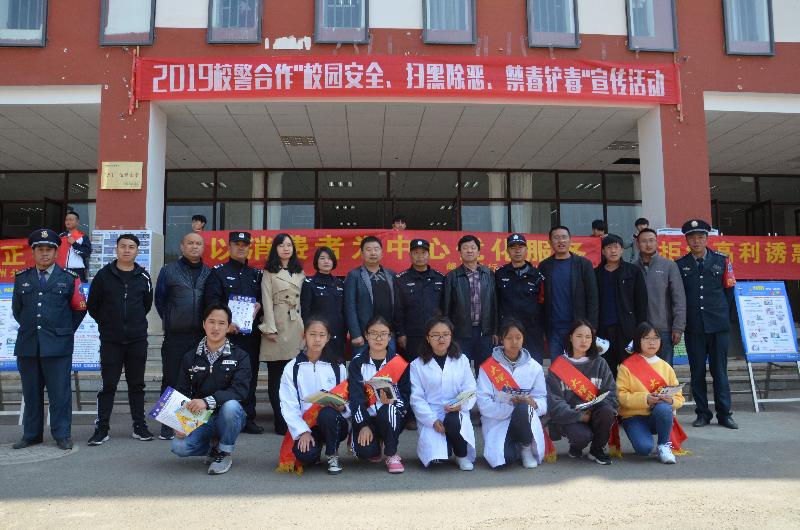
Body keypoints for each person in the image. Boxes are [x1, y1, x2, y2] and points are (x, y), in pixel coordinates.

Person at [11, 229, 87, 450]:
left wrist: (63, 331)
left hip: (58, 346)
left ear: (56, 252)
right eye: (40, 249)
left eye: (49, 250)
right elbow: (18, 311)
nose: (44, 253)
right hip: (28, 344)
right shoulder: (22, 278)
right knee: (31, 392)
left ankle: (62, 434)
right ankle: (31, 434)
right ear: (33, 252)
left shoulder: (69, 278)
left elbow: (79, 309)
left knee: (59, 394)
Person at [86, 234, 154, 445]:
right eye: (123, 246)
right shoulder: (103, 275)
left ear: (137, 251)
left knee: (137, 385)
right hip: (111, 340)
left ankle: (139, 426)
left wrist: (132, 324)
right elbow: (93, 305)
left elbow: (146, 305)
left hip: (137, 340)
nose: (126, 250)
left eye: (131, 247)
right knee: (108, 385)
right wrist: (108, 324)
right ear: (116, 249)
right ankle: (102, 428)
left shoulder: (144, 277)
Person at [170, 304, 251, 475]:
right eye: (211, 322)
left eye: (221, 323)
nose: (216, 327)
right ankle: (213, 449)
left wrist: (207, 402)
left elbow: (240, 391)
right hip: (199, 417)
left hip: (228, 416)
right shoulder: (190, 357)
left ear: (228, 327)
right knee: (178, 446)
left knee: (232, 407)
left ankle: (224, 452)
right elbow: (181, 392)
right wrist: (179, 423)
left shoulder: (240, 356)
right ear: (203, 324)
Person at [676, 219, 738, 430]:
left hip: (718, 327)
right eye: (692, 238)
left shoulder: (722, 261)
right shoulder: (680, 264)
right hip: (694, 327)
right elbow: (679, 296)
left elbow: (730, 292)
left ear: (707, 239)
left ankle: (725, 414)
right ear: (686, 240)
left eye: (700, 237)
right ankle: (702, 413)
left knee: (720, 372)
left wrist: (724, 318)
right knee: (697, 373)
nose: (696, 241)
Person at [205, 231, 264, 435]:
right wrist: (225, 324)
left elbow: (264, 300)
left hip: (250, 338)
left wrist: (260, 305)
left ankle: (247, 417)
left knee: (249, 376)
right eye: (237, 244)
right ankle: (221, 417)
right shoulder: (218, 272)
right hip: (225, 337)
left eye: (244, 245)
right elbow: (212, 302)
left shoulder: (256, 274)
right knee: (223, 377)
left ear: (249, 248)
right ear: (229, 247)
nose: (241, 248)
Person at [154, 232, 211, 440]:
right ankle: (167, 424)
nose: (194, 247)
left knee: (198, 379)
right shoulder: (168, 271)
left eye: (198, 243)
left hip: (201, 336)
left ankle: (189, 423)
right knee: (171, 378)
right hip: (175, 335)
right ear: (182, 246)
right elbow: (160, 300)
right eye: (190, 243)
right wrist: (172, 320)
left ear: (203, 248)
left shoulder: (209, 272)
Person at [278, 318, 350, 475]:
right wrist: (302, 431)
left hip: (333, 422)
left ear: (328, 337)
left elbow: (348, 398)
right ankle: (315, 450)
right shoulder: (292, 367)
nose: (317, 339)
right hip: (307, 424)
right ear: (304, 335)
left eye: (322, 335)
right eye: (312, 334)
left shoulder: (338, 366)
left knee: (327, 414)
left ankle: (333, 454)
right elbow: (288, 404)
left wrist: (344, 408)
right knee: (305, 455)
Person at [476, 318, 548, 469]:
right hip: (498, 421)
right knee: (505, 460)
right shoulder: (488, 367)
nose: (514, 342)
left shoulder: (534, 367)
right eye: (509, 338)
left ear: (523, 339)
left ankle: (526, 447)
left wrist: (534, 404)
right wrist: (510, 408)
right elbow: (483, 403)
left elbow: (542, 397)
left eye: (518, 337)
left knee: (523, 409)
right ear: (501, 339)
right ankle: (514, 447)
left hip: (525, 420)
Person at [409, 316, 477, 471]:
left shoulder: (462, 360)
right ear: (428, 338)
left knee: (455, 421)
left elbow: (470, 388)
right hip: (431, 412)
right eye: (435, 335)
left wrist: (460, 405)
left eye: (446, 334)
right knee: (437, 458)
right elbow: (417, 398)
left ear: (451, 336)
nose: (441, 339)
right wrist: (432, 420)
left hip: (455, 410)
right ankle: (446, 446)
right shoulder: (417, 365)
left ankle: (461, 455)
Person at [546, 319, 617, 465]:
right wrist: (579, 416)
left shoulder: (600, 363)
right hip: (571, 416)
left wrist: (597, 409)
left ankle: (596, 449)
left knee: (606, 411)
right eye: (579, 336)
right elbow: (555, 402)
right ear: (571, 337)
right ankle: (576, 446)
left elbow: (611, 393)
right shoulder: (559, 365)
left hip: (595, 413)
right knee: (582, 436)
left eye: (588, 337)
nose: (584, 341)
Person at [616, 322, 686, 464]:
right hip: (634, 417)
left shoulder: (666, 367)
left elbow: (679, 397)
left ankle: (663, 445)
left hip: (658, 415)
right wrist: (646, 398)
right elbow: (621, 396)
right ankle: (642, 437)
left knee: (664, 408)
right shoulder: (626, 366)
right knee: (644, 449)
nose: (652, 342)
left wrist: (671, 400)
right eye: (647, 338)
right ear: (638, 341)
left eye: (655, 338)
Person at [393, 238, 445, 430]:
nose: (420, 256)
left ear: (429, 254)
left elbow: (445, 308)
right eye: (416, 253)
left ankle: (435, 411)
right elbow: (398, 309)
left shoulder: (440, 278)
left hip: (436, 337)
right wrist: (401, 333)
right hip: (412, 336)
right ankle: (410, 415)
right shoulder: (401, 279)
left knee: (434, 373)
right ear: (410, 255)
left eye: (423, 252)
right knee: (411, 376)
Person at [348, 316, 410, 474]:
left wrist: (393, 402)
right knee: (365, 452)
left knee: (388, 410)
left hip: (391, 416)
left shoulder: (399, 363)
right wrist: (363, 425)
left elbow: (406, 395)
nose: (378, 338)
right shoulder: (357, 363)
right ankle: (373, 442)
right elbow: (355, 397)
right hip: (367, 416)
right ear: (366, 335)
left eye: (383, 334)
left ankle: (391, 453)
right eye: (373, 333)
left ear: (390, 337)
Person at [258, 233, 305, 436]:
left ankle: (293, 418)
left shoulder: (300, 272)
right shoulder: (268, 272)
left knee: (294, 376)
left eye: (289, 245)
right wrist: (270, 327)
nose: (286, 248)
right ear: (275, 249)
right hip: (276, 324)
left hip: (296, 325)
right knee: (276, 377)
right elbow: (266, 300)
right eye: (281, 245)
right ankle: (279, 420)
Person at [539, 226, 599, 361]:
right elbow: (541, 299)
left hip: (578, 327)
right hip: (554, 328)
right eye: (556, 238)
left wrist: (592, 326)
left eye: (564, 237)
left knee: (579, 366)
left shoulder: (583, 264)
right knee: (557, 366)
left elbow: (593, 297)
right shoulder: (544, 266)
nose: (561, 241)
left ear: (570, 240)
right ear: (550, 242)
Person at [595, 233, 648, 377]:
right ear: (603, 251)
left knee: (630, 371)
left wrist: (641, 329)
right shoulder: (596, 273)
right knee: (606, 372)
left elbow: (641, 302)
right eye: (609, 247)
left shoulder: (633, 271)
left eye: (616, 247)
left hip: (627, 330)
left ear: (622, 250)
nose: (613, 251)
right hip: (603, 332)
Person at [443, 235, 498, 374]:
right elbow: (446, 308)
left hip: (485, 332)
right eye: (465, 248)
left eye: (473, 248)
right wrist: (448, 332)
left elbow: (495, 305)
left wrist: (495, 331)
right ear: (460, 252)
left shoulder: (488, 274)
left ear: (479, 252)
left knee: (485, 371)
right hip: (460, 333)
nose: (469, 251)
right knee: (461, 371)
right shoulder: (452, 276)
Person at [634, 228, 686, 365]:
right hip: (639, 330)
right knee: (642, 371)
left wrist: (678, 328)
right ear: (637, 244)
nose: (648, 244)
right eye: (644, 241)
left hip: (663, 330)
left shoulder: (669, 266)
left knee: (664, 370)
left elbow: (678, 299)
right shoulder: (632, 267)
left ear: (657, 243)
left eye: (651, 240)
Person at [495, 233, 545, 363]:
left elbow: (544, 304)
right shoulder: (500, 274)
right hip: (508, 330)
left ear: (526, 250)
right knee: (507, 365)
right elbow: (496, 304)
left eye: (521, 247)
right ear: (507, 251)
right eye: (513, 248)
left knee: (533, 364)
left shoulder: (537, 275)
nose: (517, 251)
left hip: (532, 329)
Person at [344, 236, 397, 357]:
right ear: (362, 254)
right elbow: (349, 306)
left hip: (388, 334)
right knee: (363, 367)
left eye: (376, 249)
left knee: (388, 367)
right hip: (364, 336)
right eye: (368, 249)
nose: (373, 253)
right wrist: (355, 334)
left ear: (382, 253)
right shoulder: (354, 275)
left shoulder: (391, 275)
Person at [301, 246, 346, 361]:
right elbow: (305, 312)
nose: (326, 261)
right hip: (317, 336)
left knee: (337, 367)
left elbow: (344, 311)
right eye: (322, 258)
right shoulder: (309, 283)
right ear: (316, 261)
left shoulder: (340, 283)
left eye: (329, 258)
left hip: (338, 335)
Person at [58, 210, 91, 282]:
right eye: (66, 220)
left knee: (77, 289)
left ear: (77, 222)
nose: (68, 222)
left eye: (71, 220)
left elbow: (86, 253)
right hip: (61, 270)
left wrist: (74, 244)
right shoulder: (60, 236)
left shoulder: (83, 237)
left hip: (77, 270)